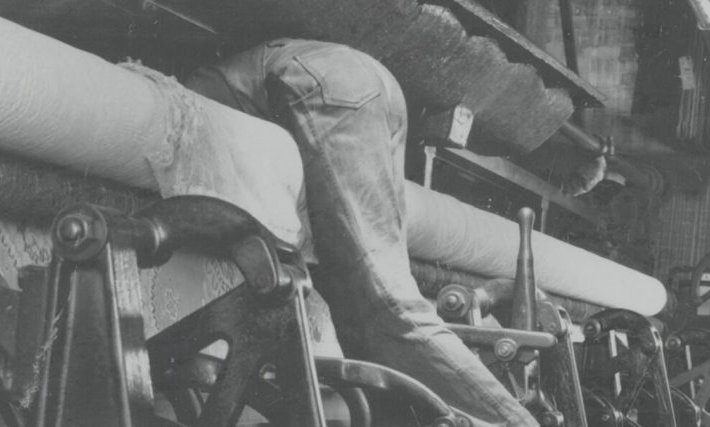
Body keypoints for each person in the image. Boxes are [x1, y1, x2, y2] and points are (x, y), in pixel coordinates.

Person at [181, 39, 539, 426]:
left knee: (385, 309)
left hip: (326, 87)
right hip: (367, 87)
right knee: (361, 330)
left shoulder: (183, 92)